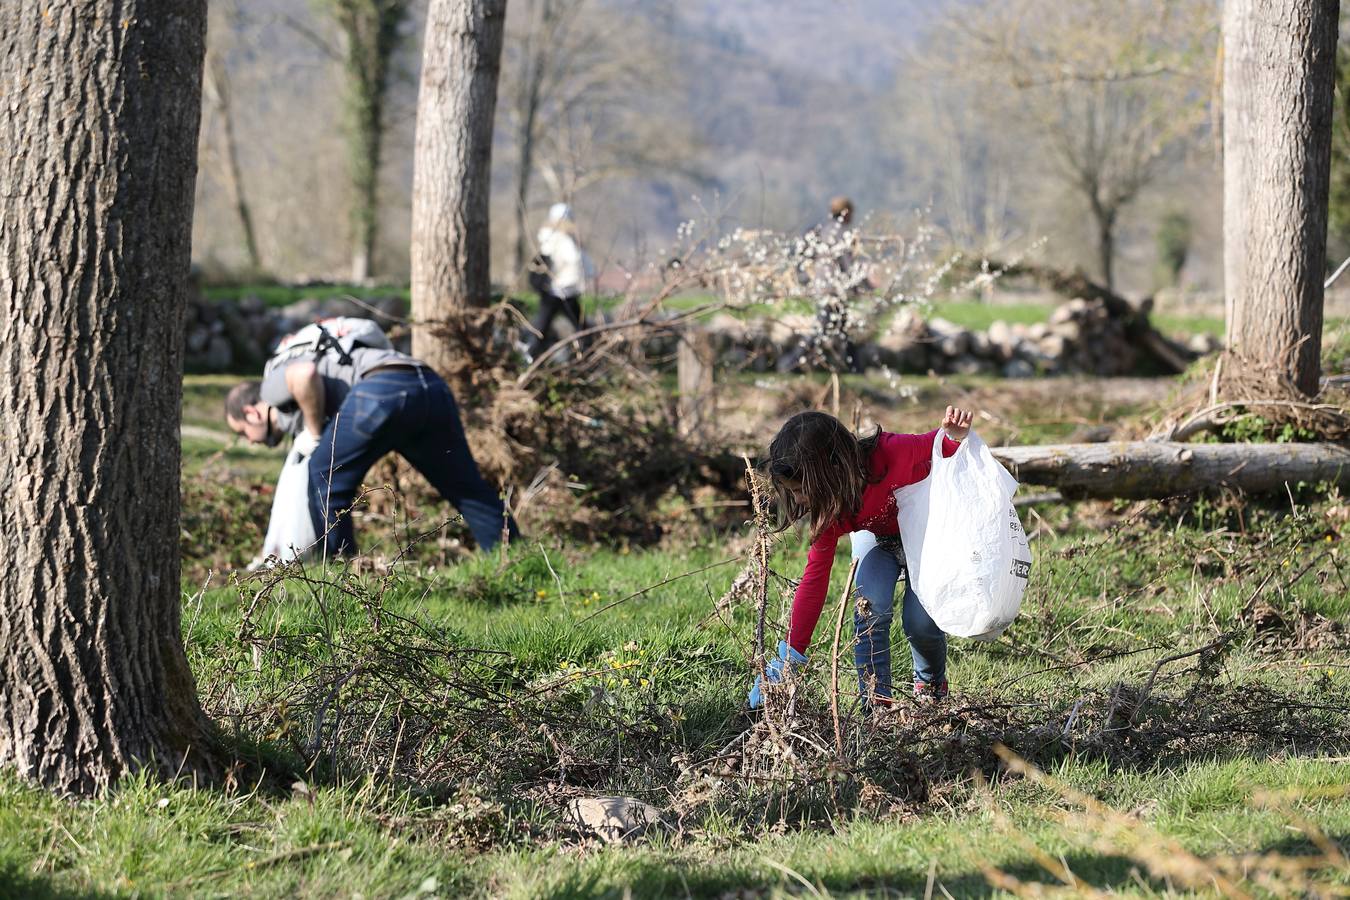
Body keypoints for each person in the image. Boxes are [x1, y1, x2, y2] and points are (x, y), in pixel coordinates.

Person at [748, 405, 975, 710]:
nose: (800, 499)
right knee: (870, 607)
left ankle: (931, 686)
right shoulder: (831, 510)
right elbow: (814, 582)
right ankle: (876, 704)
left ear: (831, 470)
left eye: (802, 488)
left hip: (925, 538)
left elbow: (938, 448)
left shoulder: (894, 454)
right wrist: (788, 658)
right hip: (880, 540)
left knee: (919, 622)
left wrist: (954, 437)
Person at [225, 331, 517, 559]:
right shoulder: (296, 401)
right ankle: (516, 559)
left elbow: (304, 375)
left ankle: (344, 582)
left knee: (324, 475)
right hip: (429, 385)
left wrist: (315, 434)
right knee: (467, 488)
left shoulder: (271, 383)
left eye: (243, 432)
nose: (250, 442)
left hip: (382, 390)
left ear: (251, 413)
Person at [526, 202, 594, 360]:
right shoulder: (559, 239)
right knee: (545, 327)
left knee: (547, 326)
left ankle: (587, 354)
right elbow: (576, 259)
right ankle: (531, 356)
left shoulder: (551, 237)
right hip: (558, 290)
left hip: (562, 291)